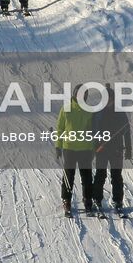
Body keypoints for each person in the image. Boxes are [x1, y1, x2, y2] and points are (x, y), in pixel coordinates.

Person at [54, 85, 98, 216]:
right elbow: (60, 128)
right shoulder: (66, 109)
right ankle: (66, 200)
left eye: (84, 94)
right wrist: (58, 145)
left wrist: (94, 145)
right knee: (68, 176)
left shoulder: (89, 110)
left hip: (85, 148)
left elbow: (93, 129)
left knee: (87, 176)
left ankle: (87, 200)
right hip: (70, 148)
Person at [92, 85, 133, 214]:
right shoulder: (97, 113)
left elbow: (127, 131)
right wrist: (95, 145)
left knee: (116, 176)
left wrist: (129, 148)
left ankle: (118, 201)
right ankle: (97, 199)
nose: (110, 101)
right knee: (100, 174)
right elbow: (93, 131)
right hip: (102, 148)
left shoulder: (120, 113)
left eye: (111, 98)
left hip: (117, 148)